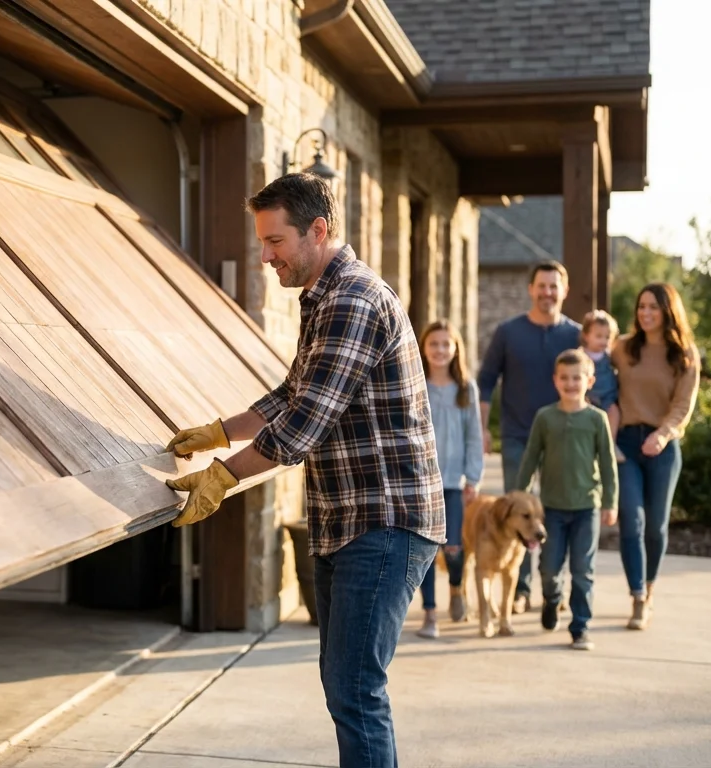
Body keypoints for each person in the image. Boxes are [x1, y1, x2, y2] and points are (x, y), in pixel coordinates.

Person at [164, 173, 444, 768]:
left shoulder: (352, 300)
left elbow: (300, 428)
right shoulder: (324, 297)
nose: (265, 257)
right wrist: (218, 432)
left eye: (275, 242)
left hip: (384, 523)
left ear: (319, 231)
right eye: (263, 243)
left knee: (356, 690)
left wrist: (221, 476)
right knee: (344, 685)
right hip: (350, 521)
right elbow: (294, 392)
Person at [476, 261, 582, 613]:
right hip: (518, 436)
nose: (547, 292)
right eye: (542, 285)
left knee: (554, 511)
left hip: (562, 440)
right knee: (519, 513)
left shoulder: (575, 336)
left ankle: (553, 584)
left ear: (564, 291)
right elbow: (487, 381)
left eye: (554, 286)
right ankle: (519, 589)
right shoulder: (508, 332)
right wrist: (482, 430)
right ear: (530, 289)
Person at [512, 348, 619, 651]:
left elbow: (609, 465)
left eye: (577, 378)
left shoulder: (597, 420)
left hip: (587, 507)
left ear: (590, 380)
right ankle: (552, 598)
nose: (571, 384)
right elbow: (531, 458)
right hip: (553, 510)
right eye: (565, 378)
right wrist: (519, 495)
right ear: (555, 381)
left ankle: (580, 626)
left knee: (583, 570)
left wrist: (611, 502)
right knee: (549, 568)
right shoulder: (545, 417)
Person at [611, 283, 700, 630]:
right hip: (628, 445)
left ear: (668, 311)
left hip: (663, 446)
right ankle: (637, 596)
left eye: (653, 307)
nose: (645, 313)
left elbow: (683, 405)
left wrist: (662, 435)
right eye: (641, 306)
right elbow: (596, 364)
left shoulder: (685, 354)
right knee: (631, 521)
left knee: (656, 527)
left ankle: (649, 588)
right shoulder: (623, 348)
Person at [415, 320, 483, 639]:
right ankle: (430, 613)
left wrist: (474, 476)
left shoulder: (466, 388)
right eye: (434, 344)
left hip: (454, 481)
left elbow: (473, 436)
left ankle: (456, 587)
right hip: (421, 481)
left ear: (456, 348)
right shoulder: (416, 384)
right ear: (424, 348)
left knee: (453, 548)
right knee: (426, 549)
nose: (440, 350)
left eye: (446, 344)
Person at [581, 309, 623, 459]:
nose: (603, 341)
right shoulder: (581, 355)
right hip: (588, 397)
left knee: (614, 413)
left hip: (607, 396)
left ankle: (610, 443)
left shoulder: (609, 356)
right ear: (586, 336)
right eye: (598, 336)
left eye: (607, 337)